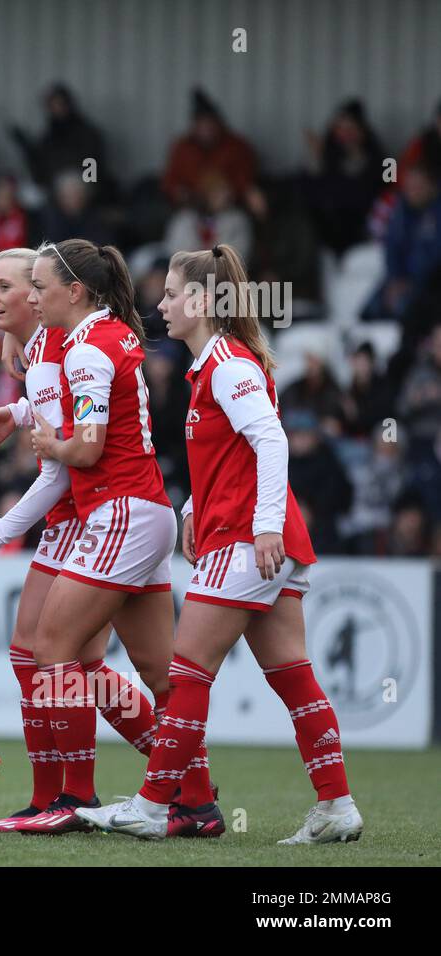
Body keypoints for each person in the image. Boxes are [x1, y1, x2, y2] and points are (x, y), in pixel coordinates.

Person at [77, 245, 362, 844]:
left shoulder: (227, 365)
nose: (162, 304)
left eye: (173, 293)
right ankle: (336, 806)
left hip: (248, 540)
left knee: (185, 673)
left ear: (202, 301)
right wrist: (190, 505)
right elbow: (232, 454)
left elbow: (272, 443)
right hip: (260, 537)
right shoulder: (219, 364)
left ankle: (155, 807)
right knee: (292, 676)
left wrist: (261, 526)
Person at [0, 249, 169, 833]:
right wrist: (20, 409)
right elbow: (60, 416)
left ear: (42, 292)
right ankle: (164, 780)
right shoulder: (52, 346)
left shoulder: (58, 347)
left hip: (89, 514)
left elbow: (65, 463)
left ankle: (73, 795)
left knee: (50, 655)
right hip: (97, 511)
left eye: (7, 286)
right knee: (75, 663)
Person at [24, 239, 215, 833]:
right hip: (147, 510)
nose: (33, 297)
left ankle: (73, 798)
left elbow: (87, 446)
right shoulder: (114, 334)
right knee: (160, 674)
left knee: (50, 651)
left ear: (74, 291)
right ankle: (197, 803)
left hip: (120, 513)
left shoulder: (85, 349)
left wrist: (50, 443)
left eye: (39, 286)